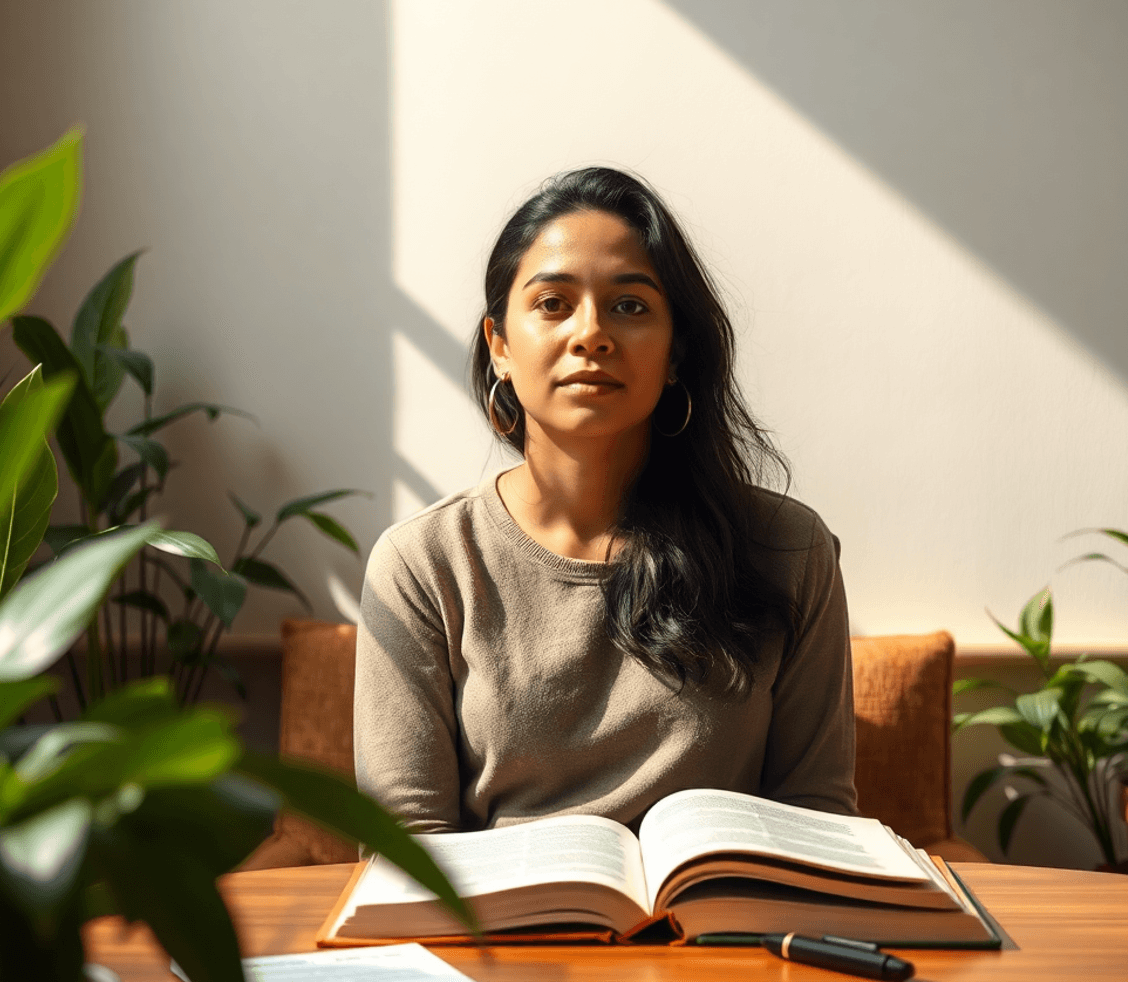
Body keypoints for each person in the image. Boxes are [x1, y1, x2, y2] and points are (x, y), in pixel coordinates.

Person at [354, 167, 856, 833]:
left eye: (630, 306)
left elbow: (819, 820)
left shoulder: (787, 549)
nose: (591, 334)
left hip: (722, 931)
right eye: (553, 304)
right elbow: (406, 850)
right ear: (499, 346)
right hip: (502, 934)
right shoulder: (423, 564)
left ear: (676, 352)